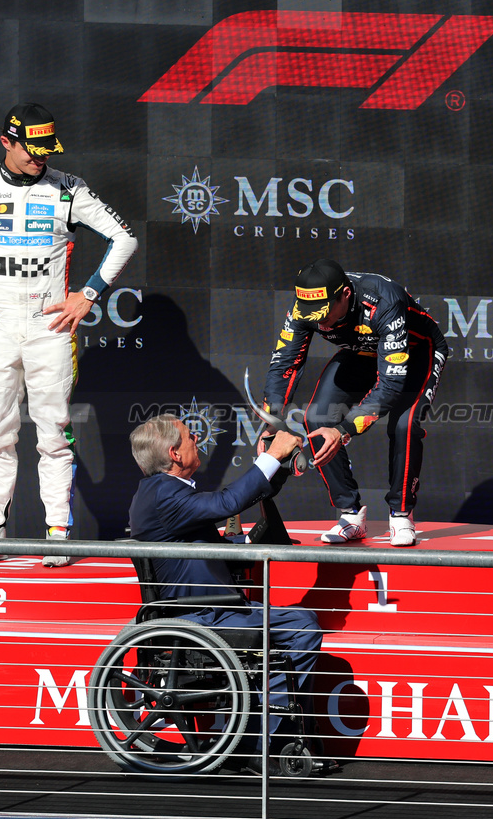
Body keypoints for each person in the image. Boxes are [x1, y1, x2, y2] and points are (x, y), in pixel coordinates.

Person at [0, 103, 137, 566]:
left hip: (49, 328)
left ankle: (57, 530)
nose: (40, 158)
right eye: (31, 150)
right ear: (6, 142)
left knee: (53, 434)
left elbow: (125, 238)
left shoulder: (68, 189)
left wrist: (90, 294)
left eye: (46, 150)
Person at [127, 413, 327, 772]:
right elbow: (225, 504)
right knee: (302, 625)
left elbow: (224, 510)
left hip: (210, 609)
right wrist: (269, 457)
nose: (196, 442)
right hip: (200, 616)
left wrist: (276, 461)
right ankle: (260, 741)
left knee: (298, 621)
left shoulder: (162, 492)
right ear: (174, 452)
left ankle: (266, 737)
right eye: (190, 437)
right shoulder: (162, 493)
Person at [263, 259, 448, 547]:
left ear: (345, 295)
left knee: (404, 424)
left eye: (323, 314)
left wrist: (344, 429)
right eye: (311, 315)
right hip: (361, 351)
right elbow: (286, 362)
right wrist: (271, 421)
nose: (317, 321)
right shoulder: (304, 306)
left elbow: (390, 385)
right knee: (317, 417)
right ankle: (350, 515)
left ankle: (401, 514)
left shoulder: (385, 299)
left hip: (415, 351)